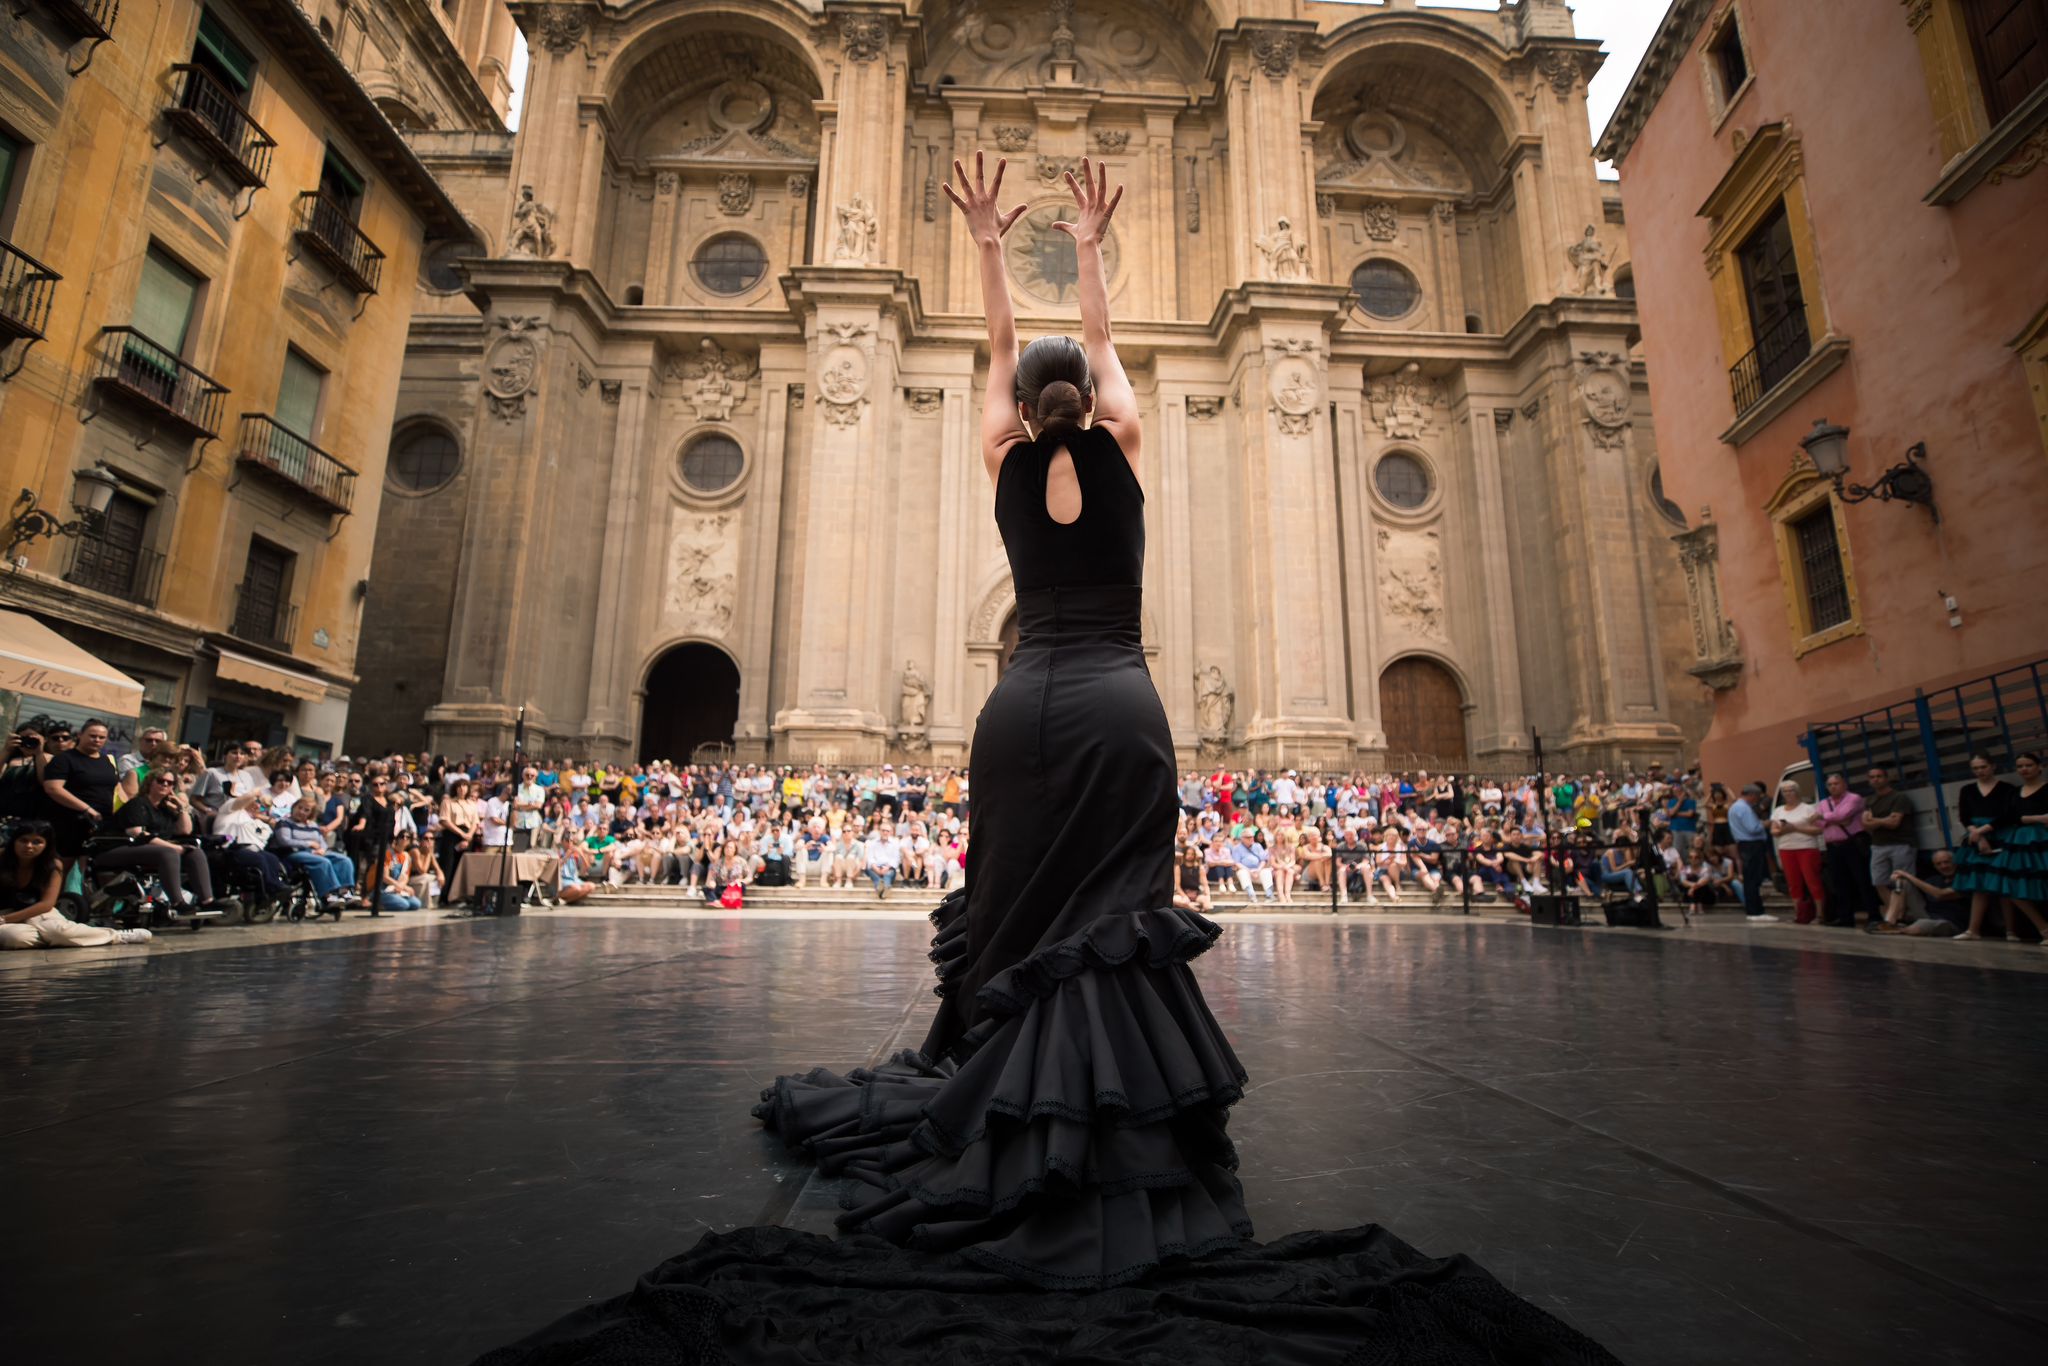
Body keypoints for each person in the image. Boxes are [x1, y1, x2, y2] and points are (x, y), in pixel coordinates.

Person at [483, 155, 1618, 1366]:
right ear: (1090, 399)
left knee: (1016, 909)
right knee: (1112, 910)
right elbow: (1100, 344)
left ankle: (1002, 1090)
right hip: (1119, 702)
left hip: (1018, 705)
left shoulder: (1002, 458)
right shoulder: (1124, 445)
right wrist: (1085, 246)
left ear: (1024, 409)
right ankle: (1110, 1115)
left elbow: (999, 349)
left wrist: (988, 246)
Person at [0, 821, 152, 948]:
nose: (29, 846)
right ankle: (60, 939)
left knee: (57, 931)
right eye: (23, 840)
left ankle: (115, 935)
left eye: (37, 842)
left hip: (38, 912)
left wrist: (6, 919)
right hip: (5, 912)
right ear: (14, 841)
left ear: (46, 845)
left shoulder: (53, 865)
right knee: (15, 938)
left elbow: (46, 904)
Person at [1953, 751, 2048, 943]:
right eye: (2020, 766)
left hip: (2025, 838)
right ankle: (2042, 930)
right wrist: (1978, 833)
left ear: (2040, 767)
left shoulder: (2009, 789)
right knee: (2004, 884)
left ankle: (2012, 930)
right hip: (2016, 839)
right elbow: (2009, 816)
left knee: (2016, 882)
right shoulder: (2015, 792)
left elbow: (2009, 817)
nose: (2024, 769)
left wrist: (2026, 819)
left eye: (2028, 765)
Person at [40, 719, 122, 857]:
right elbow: (53, 788)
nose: (97, 740)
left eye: (101, 737)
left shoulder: (107, 761)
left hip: (101, 823)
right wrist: (87, 809)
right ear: (80, 735)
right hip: (69, 822)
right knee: (63, 863)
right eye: (92, 736)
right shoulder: (64, 759)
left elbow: (115, 789)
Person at [1816, 772, 1875, 928]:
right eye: (1830, 785)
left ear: (1844, 784)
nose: (1833, 787)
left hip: (1852, 844)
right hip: (1833, 846)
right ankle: (1845, 917)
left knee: (1862, 880)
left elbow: (1844, 814)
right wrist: (1835, 819)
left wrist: (1827, 818)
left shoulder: (1854, 798)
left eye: (1836, 784)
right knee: (1839, 883)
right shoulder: (1823, 803)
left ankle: (1874, 916)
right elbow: (1817, 823)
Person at [1769, 780, 1826, 925]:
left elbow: (1818, 829)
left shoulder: (1808, 809)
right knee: (1793, 883)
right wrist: (1782, 830)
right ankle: (1799, 914)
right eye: (1785, 791)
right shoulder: (1779, 811)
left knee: (1812, 880)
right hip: (1786, 848)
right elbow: (1773, 830)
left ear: (1797, 791)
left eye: (1791, 790)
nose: (1788, 793)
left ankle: (1820, 914)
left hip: (1806, 847)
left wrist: (1795, 828)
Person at [1728, 783, 1778, 922]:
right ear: (1751, 795)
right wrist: (1766, 823)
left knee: (1750, 879)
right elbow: (1753, 828)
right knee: (1753, 879)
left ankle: (1753, 910)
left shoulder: (1734, 807)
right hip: (1752, 845)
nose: (1757, 800)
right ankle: (1756, 911)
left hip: (1744, 845)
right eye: (1757, 796)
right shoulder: (1744, 808)